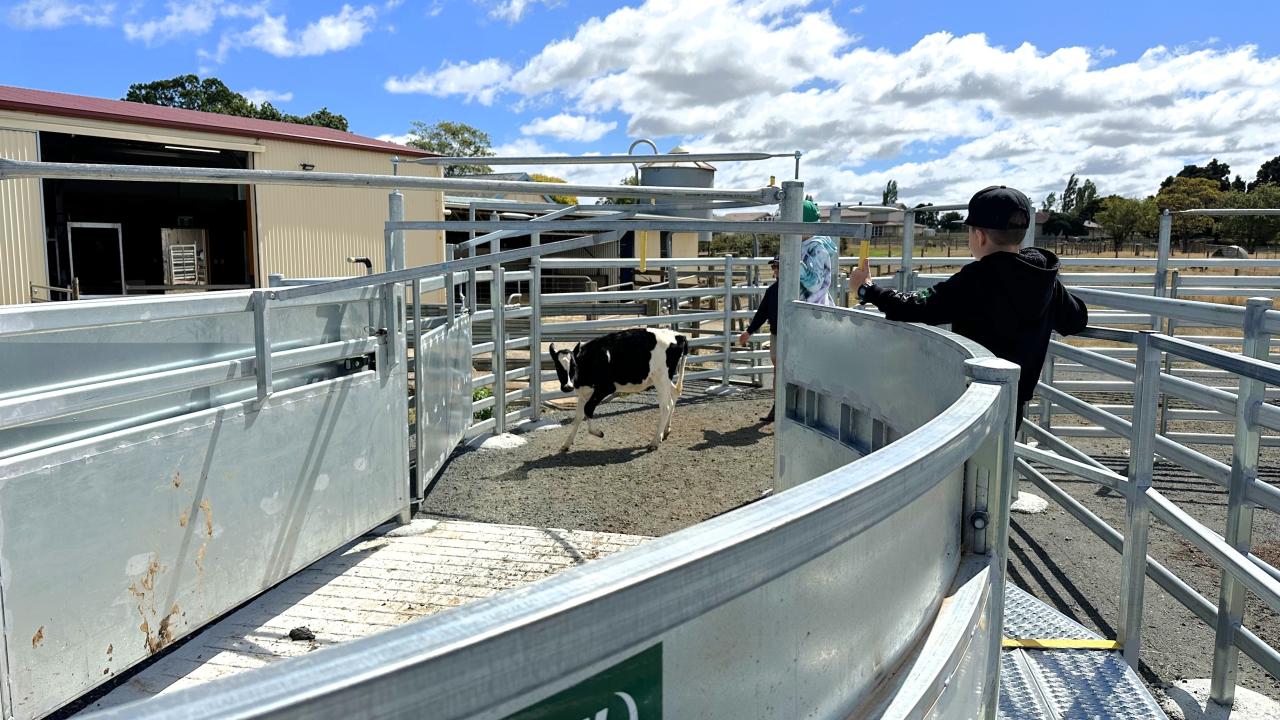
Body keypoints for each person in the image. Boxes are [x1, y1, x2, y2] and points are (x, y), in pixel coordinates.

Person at [846, 185, 1088, 429]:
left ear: (979, 236)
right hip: (1015, 400)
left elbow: (916, 306)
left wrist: (867, 290)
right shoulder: (1043, 276)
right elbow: (1076, 320)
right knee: (1001, 452)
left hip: (975, 400)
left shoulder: (977, 278)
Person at [740, 257, 779, 422]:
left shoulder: (799, 289)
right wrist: (749, 331)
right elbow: (762, 312)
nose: (775, 270)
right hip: (777, 335)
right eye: (774, 267)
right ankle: (778, 406)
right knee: (778, 370)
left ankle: (789, 407)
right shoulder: (772, 291)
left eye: (777, 266)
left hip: (795, 337)